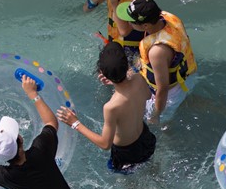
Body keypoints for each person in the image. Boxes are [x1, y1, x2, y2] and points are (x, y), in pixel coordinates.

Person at [56, 42, 156, 172]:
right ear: (127, 65)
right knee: (152, 167)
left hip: (126, 153)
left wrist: (75, 123)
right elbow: (148, 96)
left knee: (127, 182)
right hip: (146, 138)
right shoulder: (139, 79)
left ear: (102, 72)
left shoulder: (111, 107)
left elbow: (105, 144)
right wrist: (116, 81)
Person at [116, 0, 197, 124]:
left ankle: (168, 132)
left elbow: (162, 88)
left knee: (163, 124)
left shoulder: (157, 51)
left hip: (171, 93)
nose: (128, 24)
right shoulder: (169, 17)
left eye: (131, 22)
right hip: (187, 74)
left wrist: (156, 114)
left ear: (145, 26)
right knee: (187, 101)